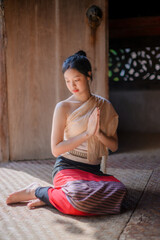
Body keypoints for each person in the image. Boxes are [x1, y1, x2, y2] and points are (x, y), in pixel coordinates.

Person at [6, 50, 126, 216]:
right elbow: (56, 150)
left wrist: (98, 133)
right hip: (68, 167)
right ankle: (37, 190)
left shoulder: (104, 105)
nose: (72, 86)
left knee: (119, 192)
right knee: (79, 197)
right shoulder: (63, 107)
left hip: (93, 170)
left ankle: (53, 197)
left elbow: (114, 145)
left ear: (88, 75)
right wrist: (86, 134)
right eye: (68, 81)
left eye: (77, 80)